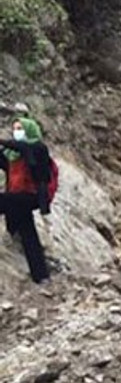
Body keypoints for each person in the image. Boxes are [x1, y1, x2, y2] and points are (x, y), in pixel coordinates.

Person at [0, 117, 53, 284]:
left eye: (20, 128)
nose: (17, 132)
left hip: (30, 196)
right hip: (16, 199)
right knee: (28, 232)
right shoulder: (12, 155)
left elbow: (25, 147)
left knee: (19, 216)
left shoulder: (38, 148)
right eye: (14, 128)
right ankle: (41, 275)